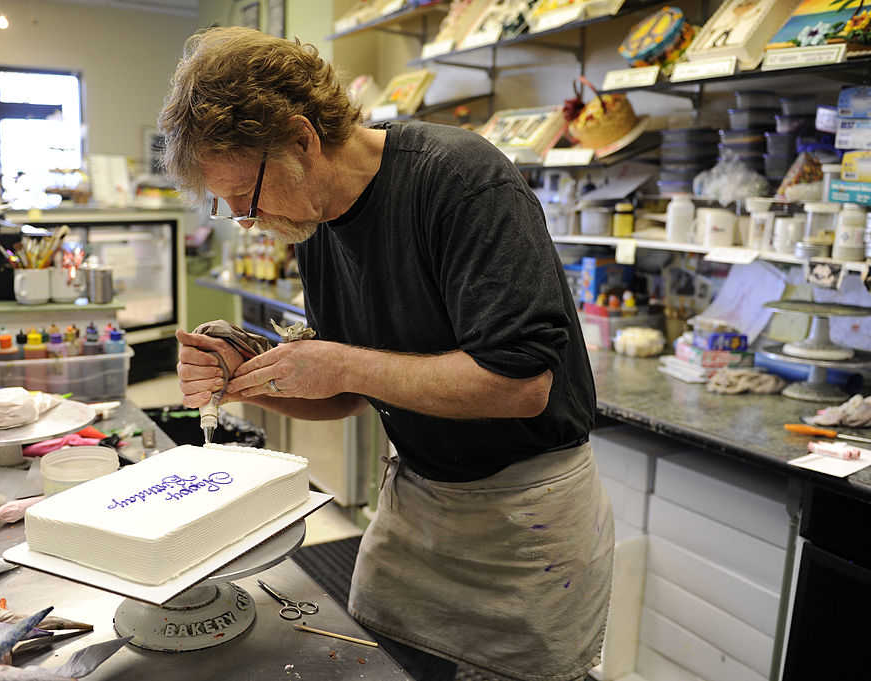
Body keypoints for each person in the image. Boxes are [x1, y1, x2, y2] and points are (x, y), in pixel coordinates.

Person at [161, 27, 613, 681]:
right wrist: (248, 383)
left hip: (526, 520)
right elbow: (349, 395)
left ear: (301, 139)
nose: (246, 218)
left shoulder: (460, 182)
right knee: (372, 659)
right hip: (420, 503)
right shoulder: (312, 222)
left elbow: (520, 382)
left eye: (245, 195)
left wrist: (341, 361)